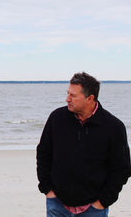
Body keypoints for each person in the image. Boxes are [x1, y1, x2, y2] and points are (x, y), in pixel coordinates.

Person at [37, 72, 131, 217]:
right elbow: (43, 153)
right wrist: (47, 189)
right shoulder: (57, 118)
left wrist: (103, 202)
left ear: (90, 98)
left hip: (94, 209)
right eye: (68, 93)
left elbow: (121, 169)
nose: (67, 99)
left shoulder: (113, 127)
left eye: (73, 95)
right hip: (57, 204)